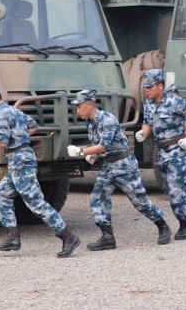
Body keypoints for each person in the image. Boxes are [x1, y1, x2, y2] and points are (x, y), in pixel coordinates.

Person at [0, 82, 80, 258]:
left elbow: (2, 143)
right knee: (0, 197)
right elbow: (34, 126)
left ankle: (68, 236)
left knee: (36, 203)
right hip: (21, 158)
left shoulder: (0, 114)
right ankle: (13, 237)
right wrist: (21, 137)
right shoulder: (14, 111)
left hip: (19, 160)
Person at [67, 89, 172, 250]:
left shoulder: (107, 120)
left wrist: (81, 151)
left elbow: (104, 145)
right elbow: (100, 144)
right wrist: (94, 156)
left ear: (89, 104)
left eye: (79, 106)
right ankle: (108, 237)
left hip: (124, 165)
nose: (77, 110)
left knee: (140, 201)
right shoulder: (89, 121)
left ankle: (163, 226)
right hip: (108, 165)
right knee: (98, 197)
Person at [136, 69, 186, 240]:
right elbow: (147, 123)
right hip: (161, 150)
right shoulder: (148, 103)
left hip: (177, 149)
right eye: (145, 87)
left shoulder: (175, 101)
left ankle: (184, 224)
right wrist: (143, 133)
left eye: (150, 86)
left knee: (174, 188)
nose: (147, 90)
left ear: (160, 86)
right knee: (176, 188)